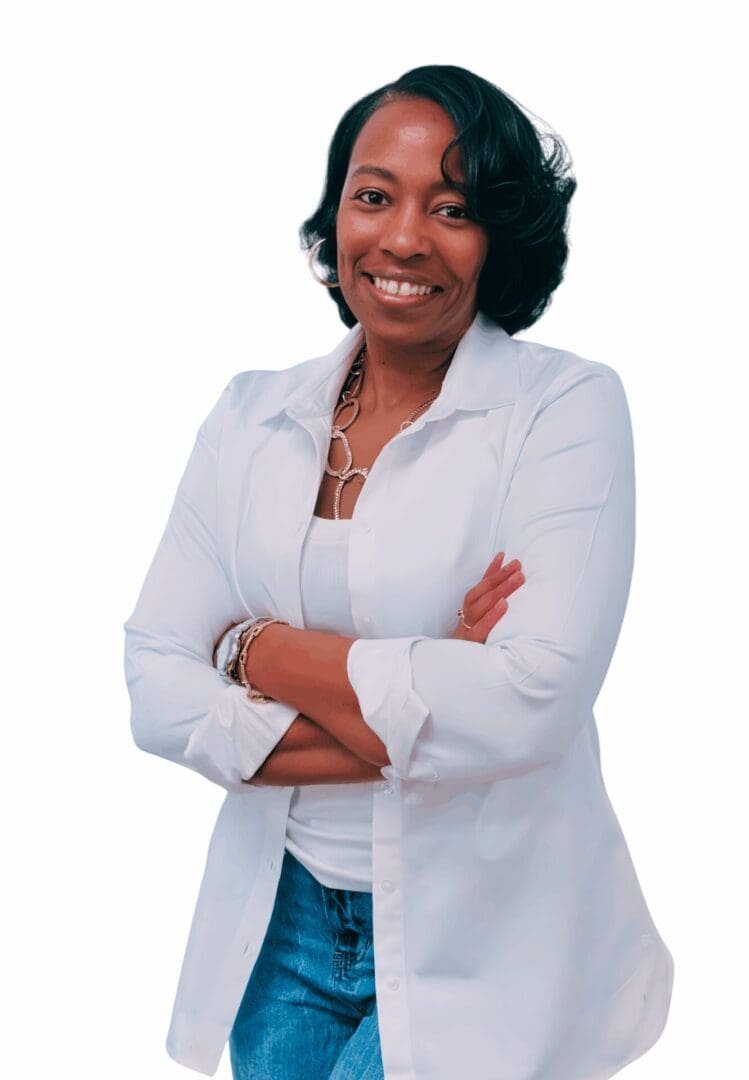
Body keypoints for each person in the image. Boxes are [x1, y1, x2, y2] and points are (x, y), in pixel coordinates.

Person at [123, 63, 675, 1079]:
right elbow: (156, 687)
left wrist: (255, 650)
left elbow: (526, 703)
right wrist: (429, 684)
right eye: (373, 195)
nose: (404, 238)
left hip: (490, 927)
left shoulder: (563, 410)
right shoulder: (250, 415)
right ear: (334, 215)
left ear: (499, 235)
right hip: (282, 926)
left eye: (451, 207)